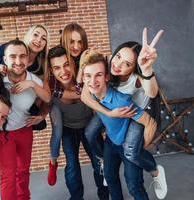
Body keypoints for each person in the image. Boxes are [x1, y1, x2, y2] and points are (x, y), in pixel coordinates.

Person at [81, 28, 167, 199]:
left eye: (127, 64)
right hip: (114, 120)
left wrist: (146, 68)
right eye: (118, 56)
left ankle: (155, 171)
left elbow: (152, 93)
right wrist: (109, 114)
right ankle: (104, 161)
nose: (118, 64)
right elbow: (85, 94)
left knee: (132, 174)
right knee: (90, 132)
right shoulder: (99, 74)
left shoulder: (135, 81)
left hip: (134, 115)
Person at [46, 46, 109, 200]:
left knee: (99, 162)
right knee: (72, 164)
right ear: (52, 71)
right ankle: (76, 197)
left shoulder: (86, 79)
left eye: (66, 64)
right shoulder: (52, 88)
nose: (63, 71)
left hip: (89, 126)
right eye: (57, 67)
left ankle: (105, 196)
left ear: (74, 64)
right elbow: (44, 105)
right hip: (68, 129)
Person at [0, 39, 51, 200]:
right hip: (2, 134)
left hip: (25, 130)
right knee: (8, 175)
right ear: (4, 59)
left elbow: (47, 98)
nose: (18, 61)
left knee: (23, 171)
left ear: (28, 58)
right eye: (13, 56)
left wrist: (31, 84)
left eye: (22, 56)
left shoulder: (34, 80)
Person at [47, 23, 95, 186]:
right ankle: (53, 161)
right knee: (58, 131)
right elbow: (53, 91)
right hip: (66, 120)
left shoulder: (86, 60)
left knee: (99, 159)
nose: (76, 46)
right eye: (72, 42)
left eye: (80, 42)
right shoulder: (57, 60)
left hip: (86, 119)